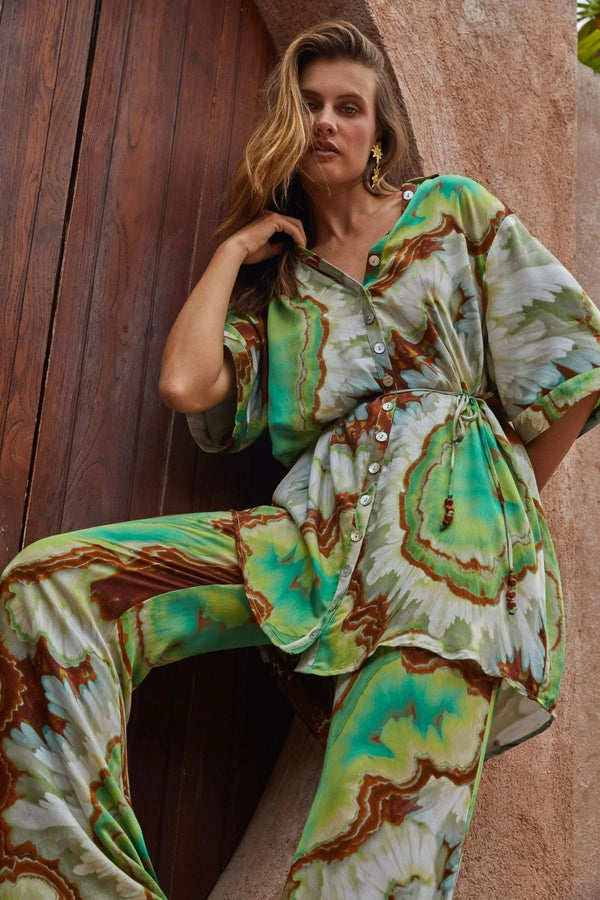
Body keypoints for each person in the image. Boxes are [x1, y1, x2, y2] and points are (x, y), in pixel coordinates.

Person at [1, 19, 599, 900]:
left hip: (453, 574)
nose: (326, 121)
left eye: (349, 106)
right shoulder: (282, 292)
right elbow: (185, 384)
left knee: (369, 855)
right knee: (48, 587)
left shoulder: (454, 212)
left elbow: (574, 366)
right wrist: (233, 252)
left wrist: (496, 510)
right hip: (309, 545)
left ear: (379, 132)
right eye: (308, 104)